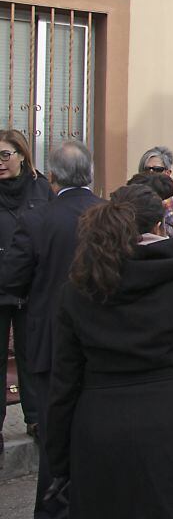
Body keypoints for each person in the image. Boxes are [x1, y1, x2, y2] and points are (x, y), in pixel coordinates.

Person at [46, 184, 173, 518]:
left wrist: (59, 461)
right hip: (169, 423)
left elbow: (63, 384)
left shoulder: (78, 287)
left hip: (100, 427)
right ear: (158, 226)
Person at [0, 140, 101, 517]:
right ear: (89, 175)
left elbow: (11, 279)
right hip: (98, 342)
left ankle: (55, 510)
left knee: (55, 437)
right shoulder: (111, 215)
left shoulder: (38, 219)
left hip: (52, 344)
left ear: (53, 177)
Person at [0, 130, 52, 452]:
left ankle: (35, 418)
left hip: (33, 286)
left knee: (32, 355)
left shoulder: (41, 188)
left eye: (5, 155)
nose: (0, 163)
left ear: (22, 155)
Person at [139, 146, 173, 236]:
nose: (151, 173)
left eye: (157, 169)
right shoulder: (133, 196)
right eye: (147, 169)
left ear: (168, 173)